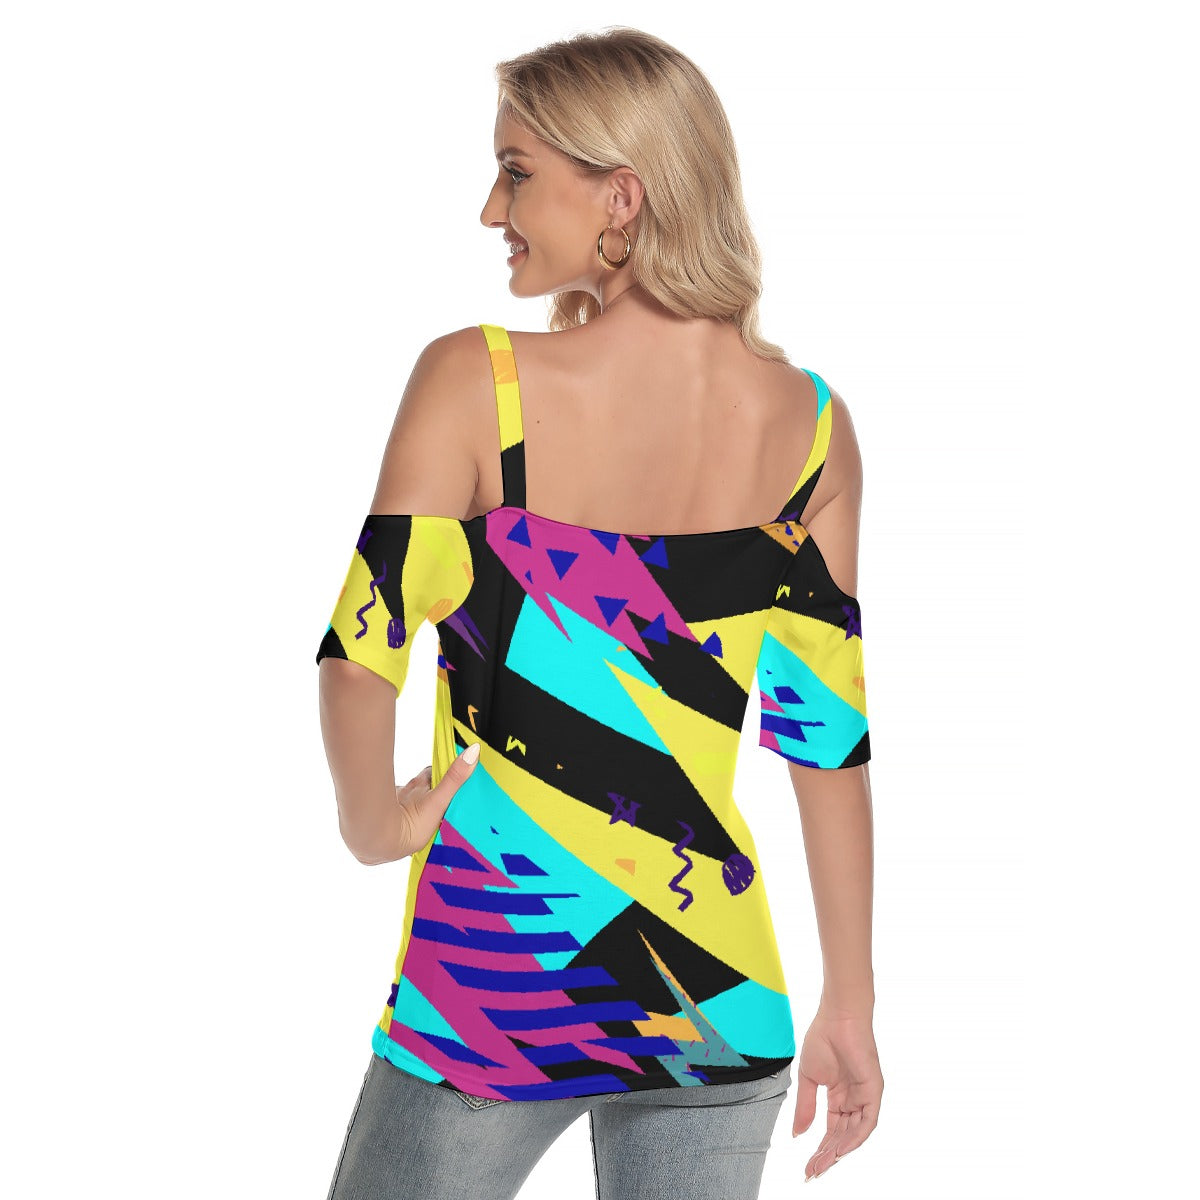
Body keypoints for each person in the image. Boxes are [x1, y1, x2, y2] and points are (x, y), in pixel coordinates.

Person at [316, 26, 883, 1200]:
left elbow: (362, 649)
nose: (491, 208)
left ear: (621, 197)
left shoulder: (479, 384)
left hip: (493, 996)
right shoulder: (813, 431)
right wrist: (851, 1002)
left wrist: (373, 822)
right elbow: (826, 744)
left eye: (516, 171)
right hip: (717, 1007)